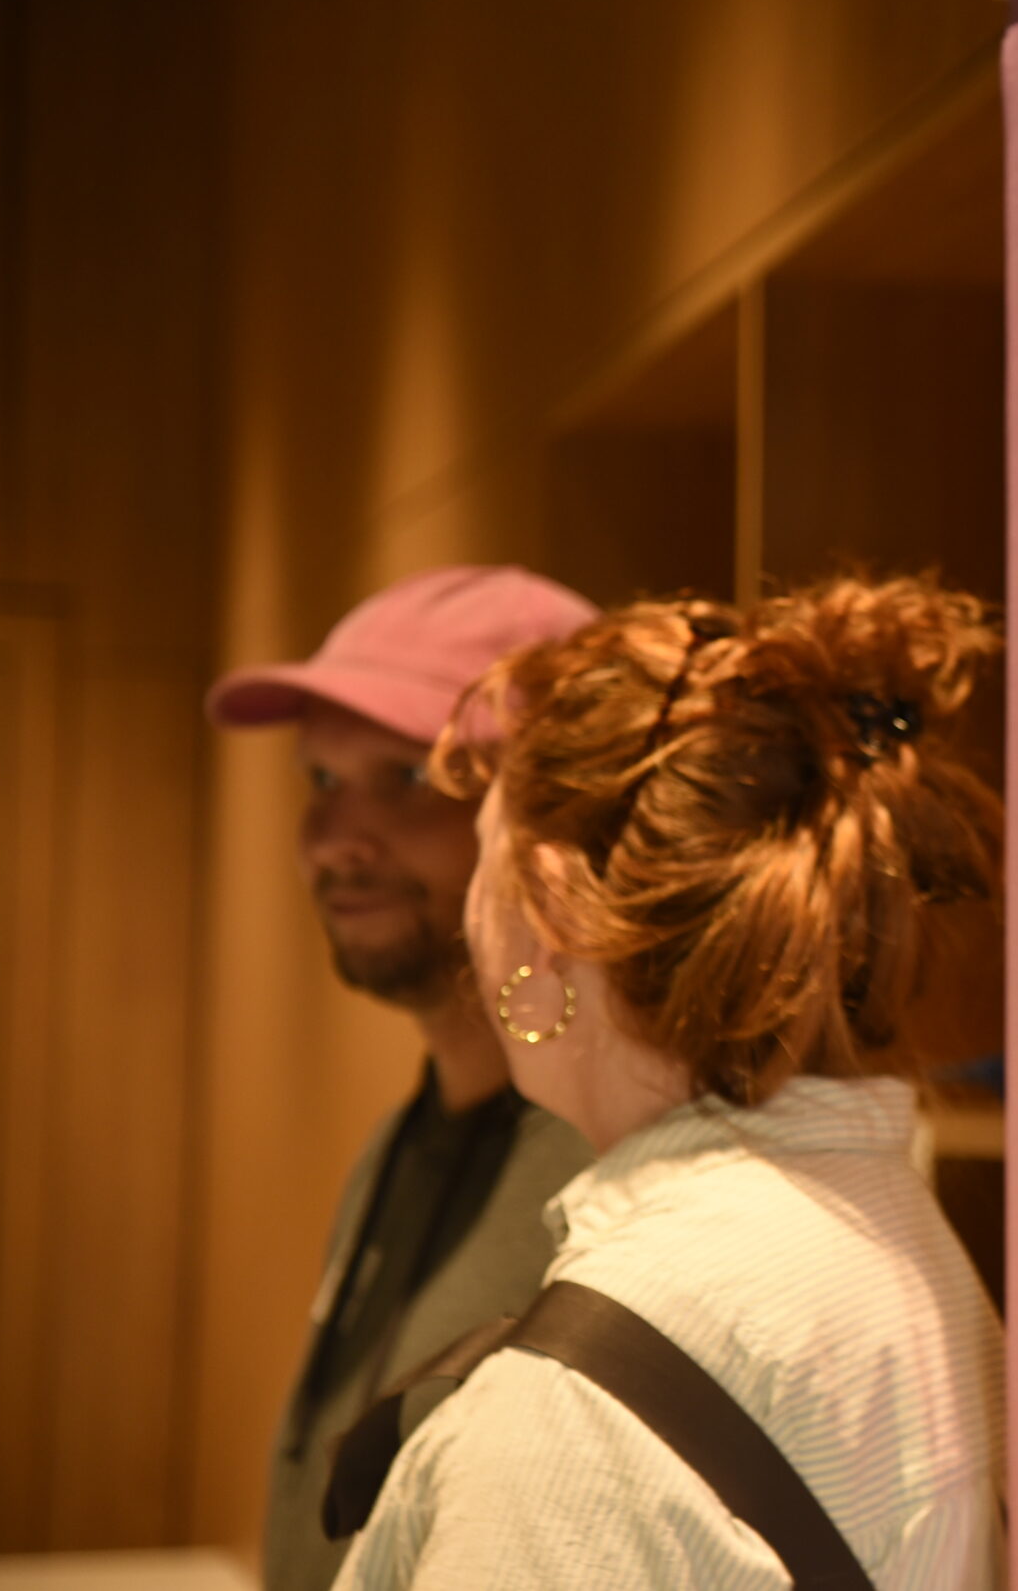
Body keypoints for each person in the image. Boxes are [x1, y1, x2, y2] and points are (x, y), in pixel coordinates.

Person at [330, 576, 1007, 1591]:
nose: (476, 909)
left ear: (551, 910)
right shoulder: (893, 1238)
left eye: (486, 857)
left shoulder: (574, 1415)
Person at [207, 564, 602, 1591]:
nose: (337, 839)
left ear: (557, 818)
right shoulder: (393, 1149)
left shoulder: (615, 1183)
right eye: (322, 780)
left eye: (412, 778)